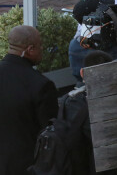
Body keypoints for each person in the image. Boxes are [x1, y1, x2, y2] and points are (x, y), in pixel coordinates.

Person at [0, 25, 58, 175]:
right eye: (40, 45)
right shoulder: (40, 85)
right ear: (30, 49)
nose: (42, 49)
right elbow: (49, 135)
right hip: (26, 166)